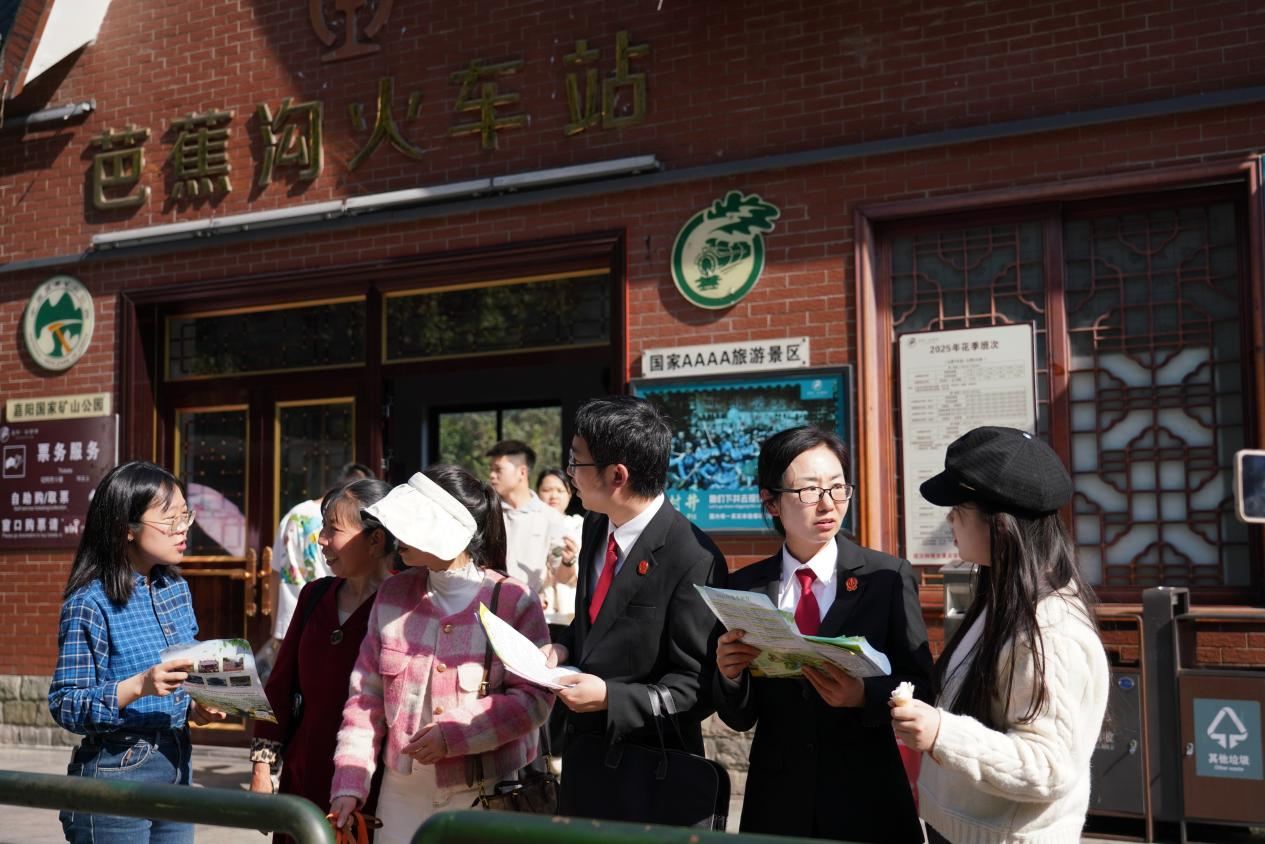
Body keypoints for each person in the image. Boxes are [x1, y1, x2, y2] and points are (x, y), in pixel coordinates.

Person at [890, 426, 1110, 844]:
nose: (949, 519)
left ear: (999, 522)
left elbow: (1049, 766)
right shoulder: (1002, 596)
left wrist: (942, 733)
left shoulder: (1051, 628)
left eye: (958, 508)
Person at [711, 426, 932, 843]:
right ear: (771, 501)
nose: (828, 503)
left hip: (867, 798)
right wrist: (729, 674)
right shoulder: (745, 589)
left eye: (837, 487)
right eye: (809, 491)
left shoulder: (886, 578)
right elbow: (739, 717)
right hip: (777, 802)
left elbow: (922, 686)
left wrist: (863, 695)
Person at [330, 465, 552, 844]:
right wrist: (349, 783)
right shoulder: (393, 594)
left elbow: (534, 699)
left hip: (485, 792)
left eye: (411, 524)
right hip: (400, 795)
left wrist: (455, 734)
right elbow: (365, 700)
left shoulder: (514, 601)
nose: (398, 535)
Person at [542, 396, 727, 819]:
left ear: (617, 475)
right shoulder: (596, 522)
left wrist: (611, 698)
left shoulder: (693, 557)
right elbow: (598, 620)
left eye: (576, 461)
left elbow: (697, 688)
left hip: (650, 777)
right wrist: (564, 646)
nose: (569, 473)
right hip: (585, 762)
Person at [49, 461, 226, 844]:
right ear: (126, 528)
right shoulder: (90, 603)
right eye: (169, 518)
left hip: (177, 761)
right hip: (117, 768)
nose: (182, 528)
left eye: (185, 515)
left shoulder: (174, 590)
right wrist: (137, 686)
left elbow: (180, 679)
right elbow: (65, 704)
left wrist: (196, 707)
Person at [249, 478, 395, 841]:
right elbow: (279, 689)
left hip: (372, 785)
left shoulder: (402, 606)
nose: (322, 540)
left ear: (375, 540)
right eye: (322, 527)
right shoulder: (314, 596)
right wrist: (262, 770)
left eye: (334, 529)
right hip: (304, 775)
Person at [269, 462, 374, 646]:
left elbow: (275, 572)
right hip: (324, 623)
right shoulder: (343, 522)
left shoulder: (294, 513)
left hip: (288, 622)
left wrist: (275, 626)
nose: (322, 539)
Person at [486, 441, 574, 612]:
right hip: (489, 609)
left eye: (498, 470)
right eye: (491, 469)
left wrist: (568, 561)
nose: (492, 475)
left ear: (522, 472)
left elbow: (562, 577)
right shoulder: (488, 514)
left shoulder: (550, 518)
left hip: (531, 612)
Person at [535, 467, 583, 633]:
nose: (553, 496)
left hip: (570, 615)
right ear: (537, 494)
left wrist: (568, 559)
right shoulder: (529, 528)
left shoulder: (580, 526)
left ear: (570, 494)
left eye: (560, 490)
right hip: (536, 612)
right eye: (546, 490)